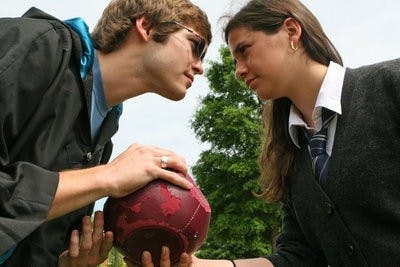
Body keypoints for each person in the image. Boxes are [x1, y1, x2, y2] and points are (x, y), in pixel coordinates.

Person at [142, 0, 400, 266]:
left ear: (291, 31)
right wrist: (198, 264)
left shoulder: (391, 85)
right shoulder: (290, 153)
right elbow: (296, 258)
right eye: (234, 60)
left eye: (244, 50)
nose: (238, 71)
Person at [0, 0, 211, 266]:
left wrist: (65, 264)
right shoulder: (37, 45)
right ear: (146, 26)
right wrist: (106, 177)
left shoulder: (103, 138)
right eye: (197, 46)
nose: (200, 66)